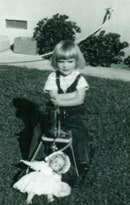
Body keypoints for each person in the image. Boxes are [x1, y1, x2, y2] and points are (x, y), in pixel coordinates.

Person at [43, 40, 90, 187]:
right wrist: (71, 96)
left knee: (80, 134)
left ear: (76, 61)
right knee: (39, 132)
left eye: (70, 61)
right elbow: (52, 97)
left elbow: (80, 99)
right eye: (61, 61)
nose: (65, 65)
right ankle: (36, 162)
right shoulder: (53, 77)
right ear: (55, 61)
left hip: (73, 113)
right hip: (54, 114)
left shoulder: (79, 78)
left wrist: (60, 101)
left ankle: (82, 164)